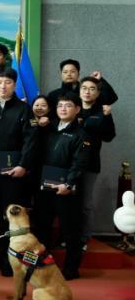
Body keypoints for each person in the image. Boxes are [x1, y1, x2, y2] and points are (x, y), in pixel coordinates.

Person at [0, 68, 38, 276]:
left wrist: (23, 165)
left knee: (11, 217)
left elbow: (31, 141)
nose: (3, 86)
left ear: (15, 85)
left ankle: (9, 261)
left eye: (7, 82)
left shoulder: (24, 109)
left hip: (13, 173)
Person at [34, 94, 90, 280]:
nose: (63, 109)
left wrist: (69, 183)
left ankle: (71, 269)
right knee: (42, 228)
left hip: (67, 190)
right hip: (44, 188)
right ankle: (42, 265)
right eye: (60, 106)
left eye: (68, 106)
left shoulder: (81, 134)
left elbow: (80, 163)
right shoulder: (48, 128)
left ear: (77, 109)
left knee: (70, 231)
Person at [77, 77, 116, 248]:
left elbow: (109, 137)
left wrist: (107, 117)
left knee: (85, 204)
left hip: (90, 164)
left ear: (98, 93)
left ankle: (84, 238)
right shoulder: (71, 108)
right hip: (67, 163)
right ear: (79, 91)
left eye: (92, 88)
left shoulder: (102, 112)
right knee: (67, 204)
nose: (87, 91)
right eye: (84, 88)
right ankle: (68, 237)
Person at [47, 59, 118, 111]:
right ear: (61, 74)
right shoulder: (53, 95)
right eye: (65, 72)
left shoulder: (87, 92)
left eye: (72, 71)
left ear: (78, 74)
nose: (69, 74)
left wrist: (99, 80)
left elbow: (111, 99)